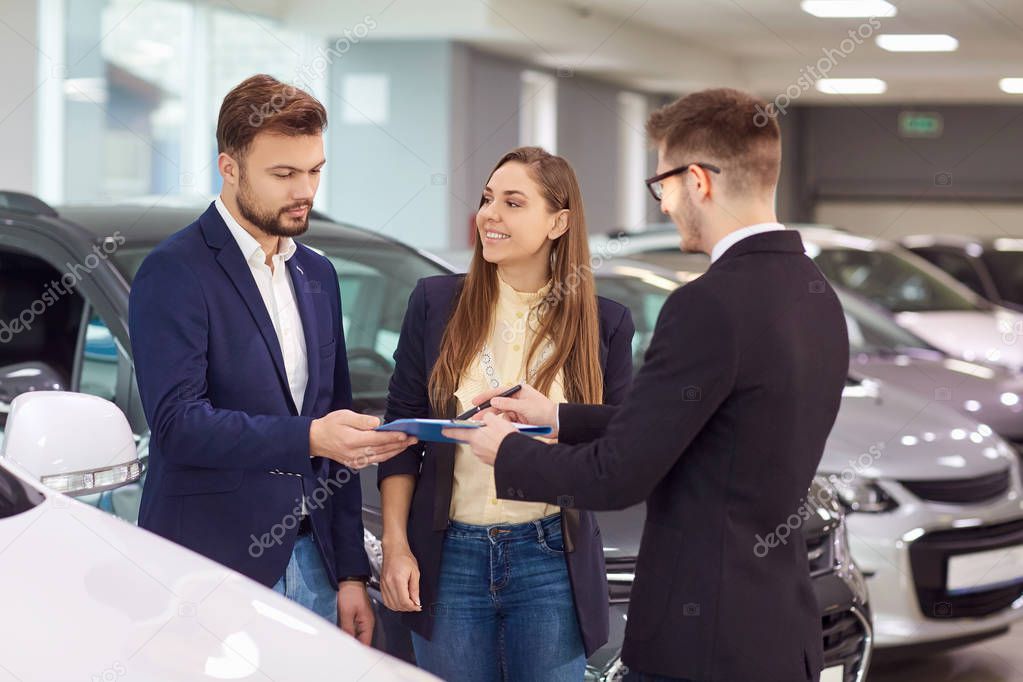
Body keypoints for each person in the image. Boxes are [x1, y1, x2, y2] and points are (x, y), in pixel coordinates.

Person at [452, 89, 850, 682]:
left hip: (702, 644)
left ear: (698, 181)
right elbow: (711, 428)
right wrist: (563, 419)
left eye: (661, 183)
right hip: (778, 633)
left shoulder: (707, 305)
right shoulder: (816, 294)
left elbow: (617, 476)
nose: (662, 203)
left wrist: (505, 450)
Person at [129, 74, 416, 642]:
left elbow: (331, 413)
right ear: (229, 167)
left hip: (316, 569)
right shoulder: (175, 270)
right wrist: (311, 437)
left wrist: (351, 575)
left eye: (314, 171)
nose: (304, 190)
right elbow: (177, 426)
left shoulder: (319, 273)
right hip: (209, 570)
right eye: (283, 174)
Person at [378, 146, 635, 681]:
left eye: (513, 202)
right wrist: (397, 548)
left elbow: (619, 452)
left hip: (550, 560)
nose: (489, 214)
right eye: (487, 198)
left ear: (558, 222)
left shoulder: (605, 324)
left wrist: (552, 429)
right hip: (448, 560)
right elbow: (399, 438)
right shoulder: (434, 304)